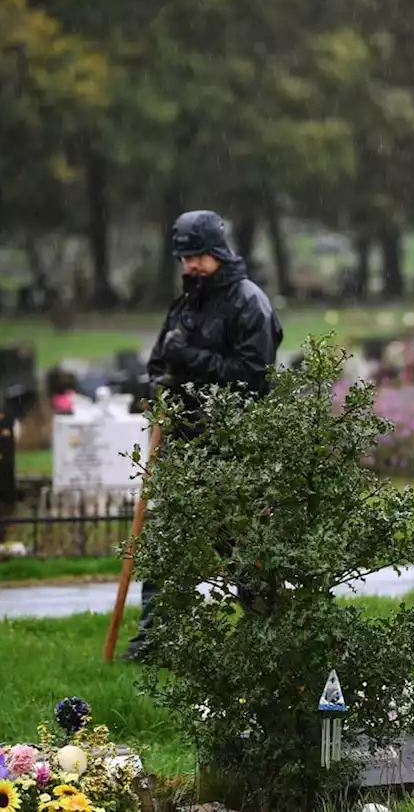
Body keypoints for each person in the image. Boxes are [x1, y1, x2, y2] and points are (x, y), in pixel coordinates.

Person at [124, 209, 283, 660]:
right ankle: (154, 643)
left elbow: (253, 378)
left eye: (198, 256)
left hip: (234, 448)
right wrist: (158, 388)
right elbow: (159, 363)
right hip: (182, 444)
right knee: (166, 544)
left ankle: (268, 636)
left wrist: (190, 359)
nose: (190, 265)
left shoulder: (250, 303)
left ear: (218, 253)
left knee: (239, 547)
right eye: (184, 257)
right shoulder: (186, 303)